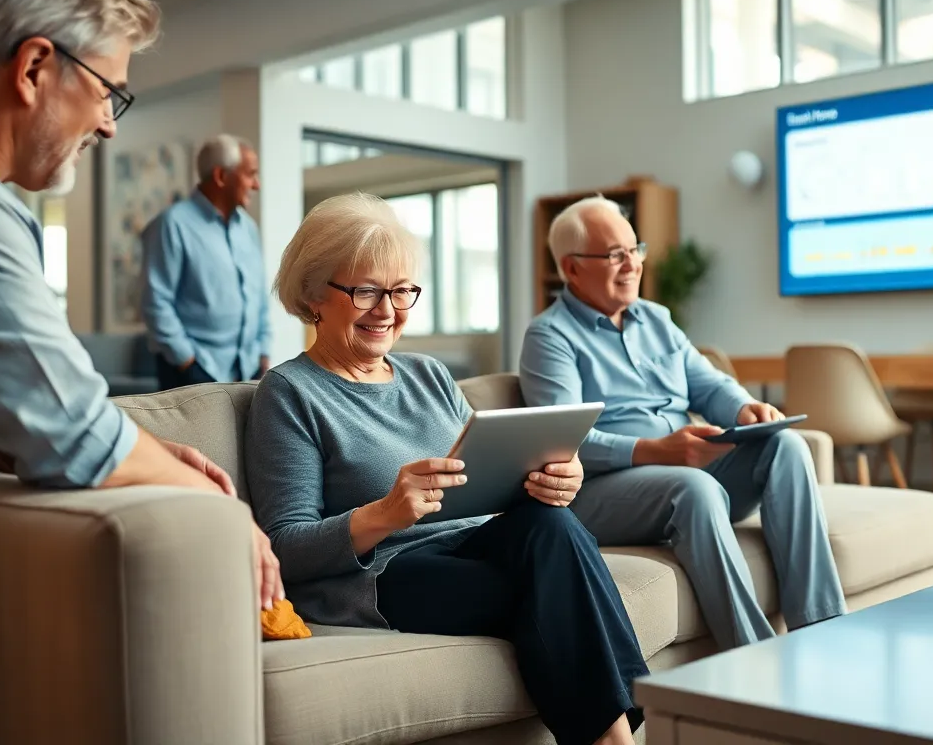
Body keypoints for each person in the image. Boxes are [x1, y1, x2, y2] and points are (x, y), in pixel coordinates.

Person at [0, 0, 283, 611]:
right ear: (35, 67)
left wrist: (136, 449)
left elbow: (1, 411)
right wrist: (224, 511)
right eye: (106, 92)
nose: (108, 125)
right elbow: (71, 435)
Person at [247, 192, 648, 745]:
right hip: (389, 572)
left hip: (478, 540)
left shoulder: (429, 375)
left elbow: (492, 475)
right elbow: (284, 545)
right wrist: (384, 514)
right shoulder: (289, 392)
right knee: (551, 587)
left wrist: (558, 478)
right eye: (366, 290)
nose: (387, 310)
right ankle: (619, 736)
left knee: (553, 525)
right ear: (315, 293)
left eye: (400, 291)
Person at [518, 195, 848, 651]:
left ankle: (821, 632)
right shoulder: (549, 336)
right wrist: (657, 451)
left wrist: (744, 409)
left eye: (636, 249)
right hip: (603, 490)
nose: (631, 264)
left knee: (787, 446)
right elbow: (562, 442)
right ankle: (755, 655)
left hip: (685, 469)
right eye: (615, 254)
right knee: (695, 487)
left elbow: (707, 385)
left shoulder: (656, 318)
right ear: (572, 269)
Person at [141, 133, 270, 391]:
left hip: (248, 372)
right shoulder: (172, 225)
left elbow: (260, 298)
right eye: (249, 174)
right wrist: (189, 364)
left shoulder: (249, 229)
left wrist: (263, 355)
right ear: (221, 177)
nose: (256, 185)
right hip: (192, 374)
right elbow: (156, 303)